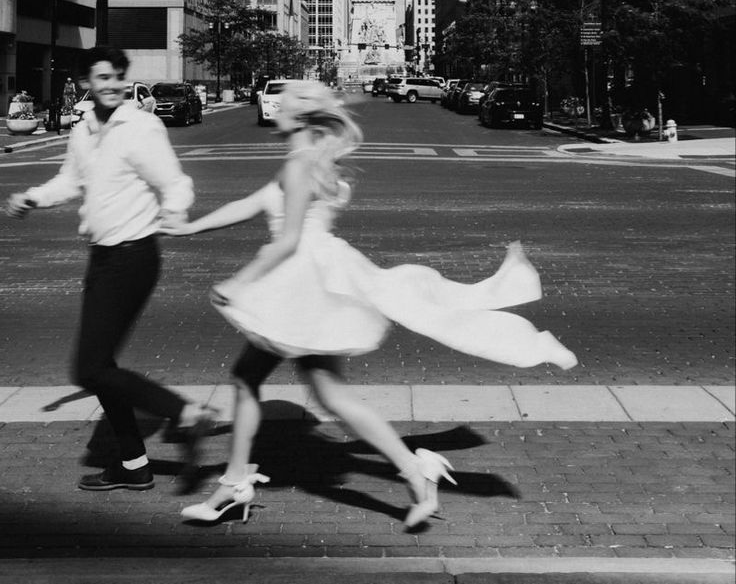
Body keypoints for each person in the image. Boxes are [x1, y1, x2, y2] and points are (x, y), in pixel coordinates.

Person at [162, 81, 576, 528]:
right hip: (318, 278)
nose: (275, 106)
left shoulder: (301, 165)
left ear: (302, 117)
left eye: (286, 102)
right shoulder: (307, 164)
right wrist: (187, 229)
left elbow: (288, 240)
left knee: (265, 382)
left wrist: (238, 281)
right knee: (316, 391)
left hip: (301, 282)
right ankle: (413, 471)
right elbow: (251, 204)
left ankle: (238, 484)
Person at [6, 45, 214, 492]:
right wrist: (33, 198)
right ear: (86, 83)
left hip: (133, 256)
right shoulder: (84, 130)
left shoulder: (140, 126)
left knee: (90, 370)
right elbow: (71, 180)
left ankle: (185, 413)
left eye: (118, 76)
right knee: (100, 366)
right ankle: (135, 465)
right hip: (104, 257)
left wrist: (176, 211)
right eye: (102, 77)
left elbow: (174, 182)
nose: (112, 84)